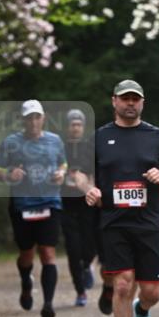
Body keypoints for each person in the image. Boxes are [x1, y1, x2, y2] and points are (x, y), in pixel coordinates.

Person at [84, 80, 159, 317]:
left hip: (148, 221)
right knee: (123, 285)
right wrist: (89, 188)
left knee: (151, 291)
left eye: (135, 99)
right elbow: (81, 173)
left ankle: (143, 310)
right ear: (114, 101)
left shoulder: (156, 136)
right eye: (125, 99)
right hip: (113, 221)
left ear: (142, 103)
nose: (130, 103)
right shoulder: (99, 137)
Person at [0, 99, 67, 317]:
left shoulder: (55, 141)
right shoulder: (11, 142)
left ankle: (48, 305)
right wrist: (8, 175)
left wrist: (61, 174)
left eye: (37, 117)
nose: (33, 122)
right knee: (26, 253)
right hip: (22, 205)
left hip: (49, 203)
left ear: (43, 118)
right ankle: (26, 281)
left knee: (48, 253)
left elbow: (63, 163)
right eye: (29, 118)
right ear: (23, 120)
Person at [61, 109, 96, 306]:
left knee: (89, 245)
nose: (75, 128)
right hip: (65, 202)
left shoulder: (88, 147)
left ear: (83, 127)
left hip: (86, 202)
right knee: (72, 248)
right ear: (68, 127)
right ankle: (80, 291)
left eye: (78, 124)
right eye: (72, 124)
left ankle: (87, 265)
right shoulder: (60, 147)